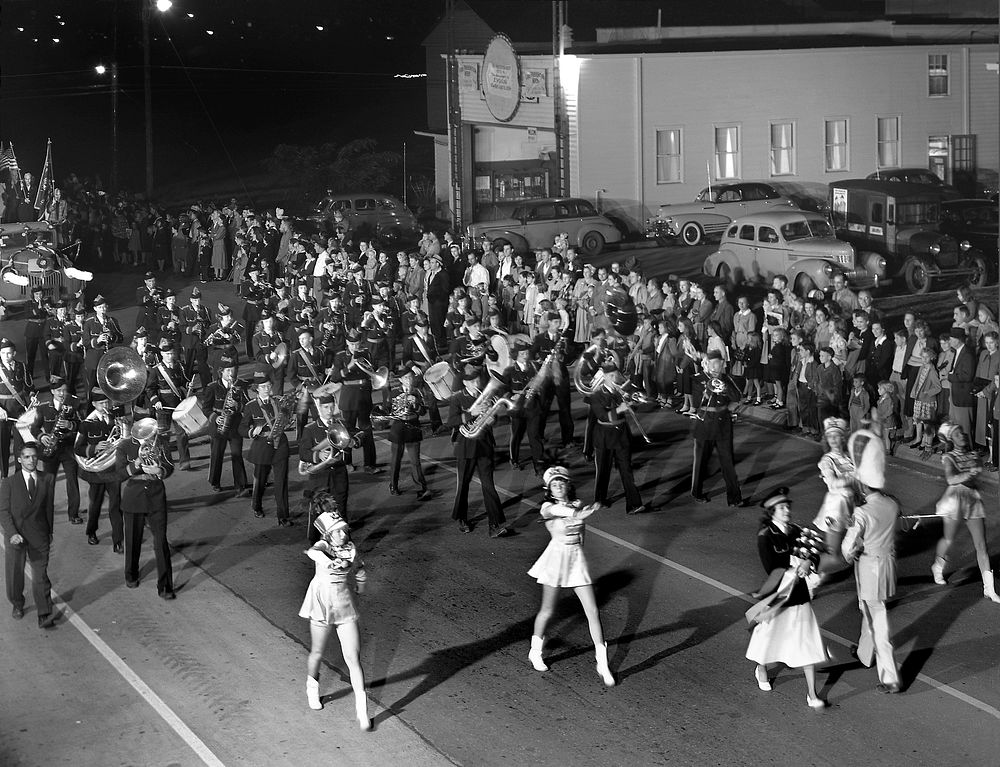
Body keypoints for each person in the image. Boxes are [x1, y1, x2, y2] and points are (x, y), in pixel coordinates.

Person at [526, 466, 615, 686]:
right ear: (549, 489)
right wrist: (590, 510)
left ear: (568, 485)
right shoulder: (547, 508)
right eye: (553, 485)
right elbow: (572, 515)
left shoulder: (577, 504)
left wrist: (580, 554)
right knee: (548, 610)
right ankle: (535, 651)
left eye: (561, 483)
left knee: (593, 611)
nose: (557, 487)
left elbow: (581, 530)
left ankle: (602, 662)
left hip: (575, 560)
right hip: (556, 560)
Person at [745, 487, 827, 707]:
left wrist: (809, 563)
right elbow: (771, 567)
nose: (786, 510)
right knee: (768, 639)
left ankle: (812, 694)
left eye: (787, 506)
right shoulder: (765, 536)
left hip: (799, 595)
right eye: (781, 508)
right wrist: (794, 563)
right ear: (771, 511)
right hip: (779, 597)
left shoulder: (797, 530)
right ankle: (761, 668)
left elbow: (814, 553)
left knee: (807, 642)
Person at [299, 494, 370, 730]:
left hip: (342, 603)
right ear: (327, 534)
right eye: (337, 532)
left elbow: (359, 566)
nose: (343, 535)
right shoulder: (323, 546)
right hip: (321, 601)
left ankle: (362, 711)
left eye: (344, 530)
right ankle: (312, 687)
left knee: (353, 657)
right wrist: (330, 562)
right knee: (317, 652)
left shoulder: (350, 548)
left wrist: (361, 583)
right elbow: (313, 552)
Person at [841, 428, 902, 694]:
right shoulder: (891, 504)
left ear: (864, 485)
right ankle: (866, 654)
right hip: (888, 565)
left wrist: (852, 548)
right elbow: (897, 527)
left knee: (878, 621)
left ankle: (890, 677)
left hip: (870, 568)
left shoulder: (862, 512)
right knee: (868, 611)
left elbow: (847, 548)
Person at [929, 422, 1000, 602]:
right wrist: (969, 474)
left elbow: (977, 478)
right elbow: (951, 478)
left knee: (981, 545)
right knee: (949, 539)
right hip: (955, 500)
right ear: (951, 439)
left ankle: (989, 589)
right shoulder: (948, 457)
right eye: (958, 434)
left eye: (962, 433)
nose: (962, 436)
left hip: (972, 501)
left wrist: (977, 474)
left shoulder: (974, 455)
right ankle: (938, 565)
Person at [0, 443, 56, 628]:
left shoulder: (47, 479)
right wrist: (12, 534)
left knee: (40, 575)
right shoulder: (9, 483)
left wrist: (49, 532)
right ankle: (17, 603)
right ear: (19, 459)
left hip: (39, 536)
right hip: (16, 537)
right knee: (15, 575)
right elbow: (3, 511)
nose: (31, 460)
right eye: (26, 457)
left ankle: (44, 612)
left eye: (33, 456)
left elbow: (49, 509)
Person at [117, 418, 175, 597]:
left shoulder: (161, 442)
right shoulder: (125, 445)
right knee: (133, 540)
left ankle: (165, 587)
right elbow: (119, 474)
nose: (148, 435)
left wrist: (159, 471)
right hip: (133, 496)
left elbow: (170, 466)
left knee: (161, 542)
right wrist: (135, 464)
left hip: (156, 495)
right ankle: (131, 575)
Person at [449, 368, 509, 537]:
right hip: (465, 447)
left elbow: (493, 420)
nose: (477, 384)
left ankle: (495, 524)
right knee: (463, 485)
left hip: (484, 446)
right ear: (465, 382)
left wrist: (491, 418)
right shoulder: (457, 398)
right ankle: (462, 518)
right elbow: (450, 422)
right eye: (473, 381)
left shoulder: (486, 396)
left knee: (489, 485)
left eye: (477, 380)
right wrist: (469, 414)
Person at [589, 361, 646, 515]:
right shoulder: (597, 395)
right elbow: (601, 415)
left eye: (616, 374)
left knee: (626, 470)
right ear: (605, 377)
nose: (615, 378)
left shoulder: (622, 390)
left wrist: (632, 401)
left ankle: (634, 504)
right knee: (603, 470)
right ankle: (600, 499)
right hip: (604, 435)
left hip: (621, 435)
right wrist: (619, 408)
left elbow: (635, 405)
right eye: (612, 375)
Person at [690, 350, 746, 507]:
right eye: (714, 363)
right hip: (705, 424)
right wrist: (709, 389)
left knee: (728, 462)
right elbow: (696, 402)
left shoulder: (726, 379)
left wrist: (726, 388)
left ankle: (735, 498)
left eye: (720, 364)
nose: (717, 367)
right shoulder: (698, 380)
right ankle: (697, 492)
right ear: (707, 364)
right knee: (701, 461)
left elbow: (737, 397)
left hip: (723, 424)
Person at [75, 389, 124, 550]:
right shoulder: (87, 423)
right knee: (95, 504)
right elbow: (78, 448)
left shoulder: (114, 417)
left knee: (115, 505)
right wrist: (94, 447)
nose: (105, 405)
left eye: (106, 402)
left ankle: (118, 540)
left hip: (112, 469)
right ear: (94, 404)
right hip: (96, 472)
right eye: (101, 403)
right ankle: (91, 532)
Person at [242, 371, 293, 525]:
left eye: (268, 386)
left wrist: (288, 421)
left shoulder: (278, 401)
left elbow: (286, 418)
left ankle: (283, 516)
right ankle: (257, 505)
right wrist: (251, 431)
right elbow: (242, 428)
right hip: (262, 446)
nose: (266, 389)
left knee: (281, 482)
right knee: (260, 480)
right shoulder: (250, 406)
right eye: (263, 386)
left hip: (280, 445)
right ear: (256, 388)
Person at [30, 376, 82, 524]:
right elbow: (34, 427)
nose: (62, 394)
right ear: (52, 391)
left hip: (67, 449)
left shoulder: (74, 404)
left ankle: (74, 514)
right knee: (48, 484)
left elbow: (81, 425)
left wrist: (70, 425)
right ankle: (46, 513)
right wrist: (42, 437)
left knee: (72, 482)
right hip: (50, 450)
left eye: (64, 391)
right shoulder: (43, 406)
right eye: (59, 390)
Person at [199, 354, 250, 495]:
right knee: (217, 455)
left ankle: (240, 485)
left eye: (233, 370)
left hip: (234, 426)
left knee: (237, 455)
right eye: (228, 371)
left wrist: (238, 405)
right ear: (221, 372)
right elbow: (206, 408)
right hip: (219, 426)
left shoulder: (241, 385)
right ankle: (215, 482)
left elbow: (247, 405)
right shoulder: (212, 387)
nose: (231, 374)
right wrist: (215, 418)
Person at [385, 371, 430, 499]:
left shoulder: (417, 392)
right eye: (406, 377)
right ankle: (393, 485)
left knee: (415, 461)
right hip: (398, 428)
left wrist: (415, 403)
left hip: (413, 428)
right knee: (396, 460)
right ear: (401, 380)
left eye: (410, 377)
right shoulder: (394, 392)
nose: (409, 379)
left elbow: (422, 412)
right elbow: (389, 409)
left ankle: (421, 488)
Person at [0, 337, 34, 478]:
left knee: (20, 445)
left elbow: (29, 386)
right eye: (3, 353)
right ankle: (4, 474)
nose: (6, 356)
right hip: (3, 411)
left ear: (14, 353)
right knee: (3, 445)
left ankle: (19, 474)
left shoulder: (22, 366)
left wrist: (32, 396)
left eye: (9, 353)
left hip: (20, 410)